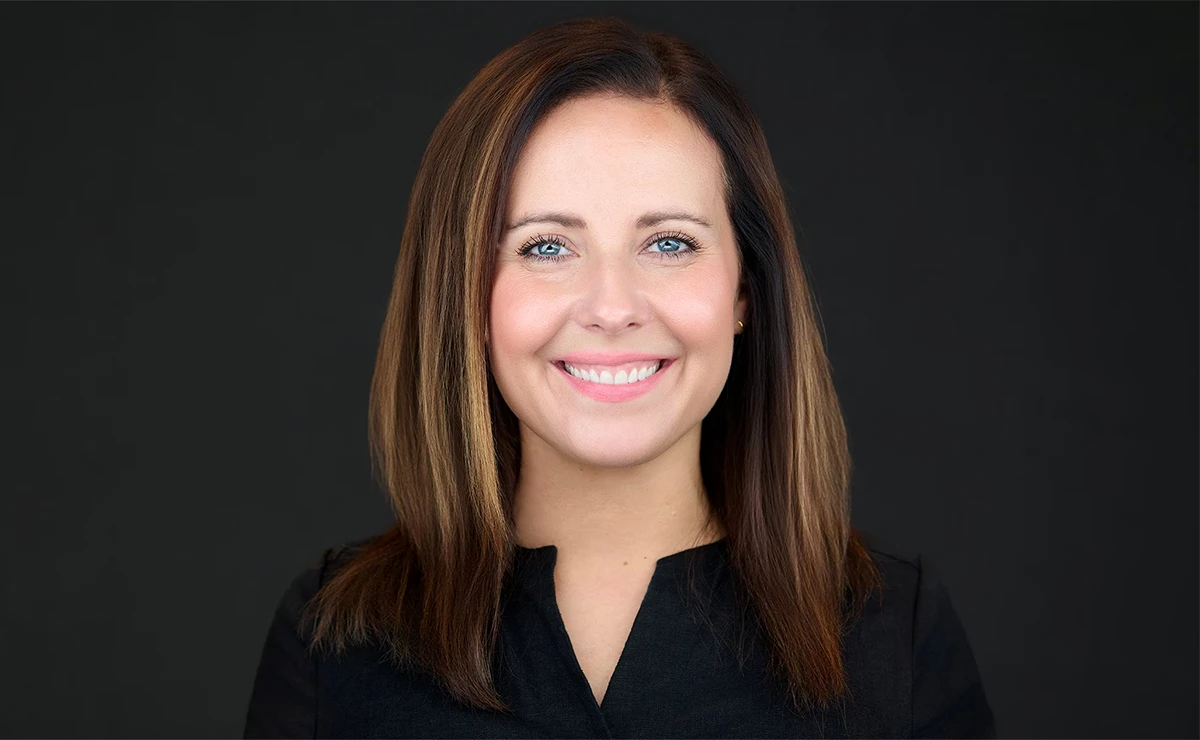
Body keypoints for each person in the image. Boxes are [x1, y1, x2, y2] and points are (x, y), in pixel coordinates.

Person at [243, 16, 996, 739]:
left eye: (669, 243)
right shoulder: (333, 643)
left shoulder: (895, 637)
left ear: (744, 291)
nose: (612, 306)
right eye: (545, 248)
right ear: (464, 296)